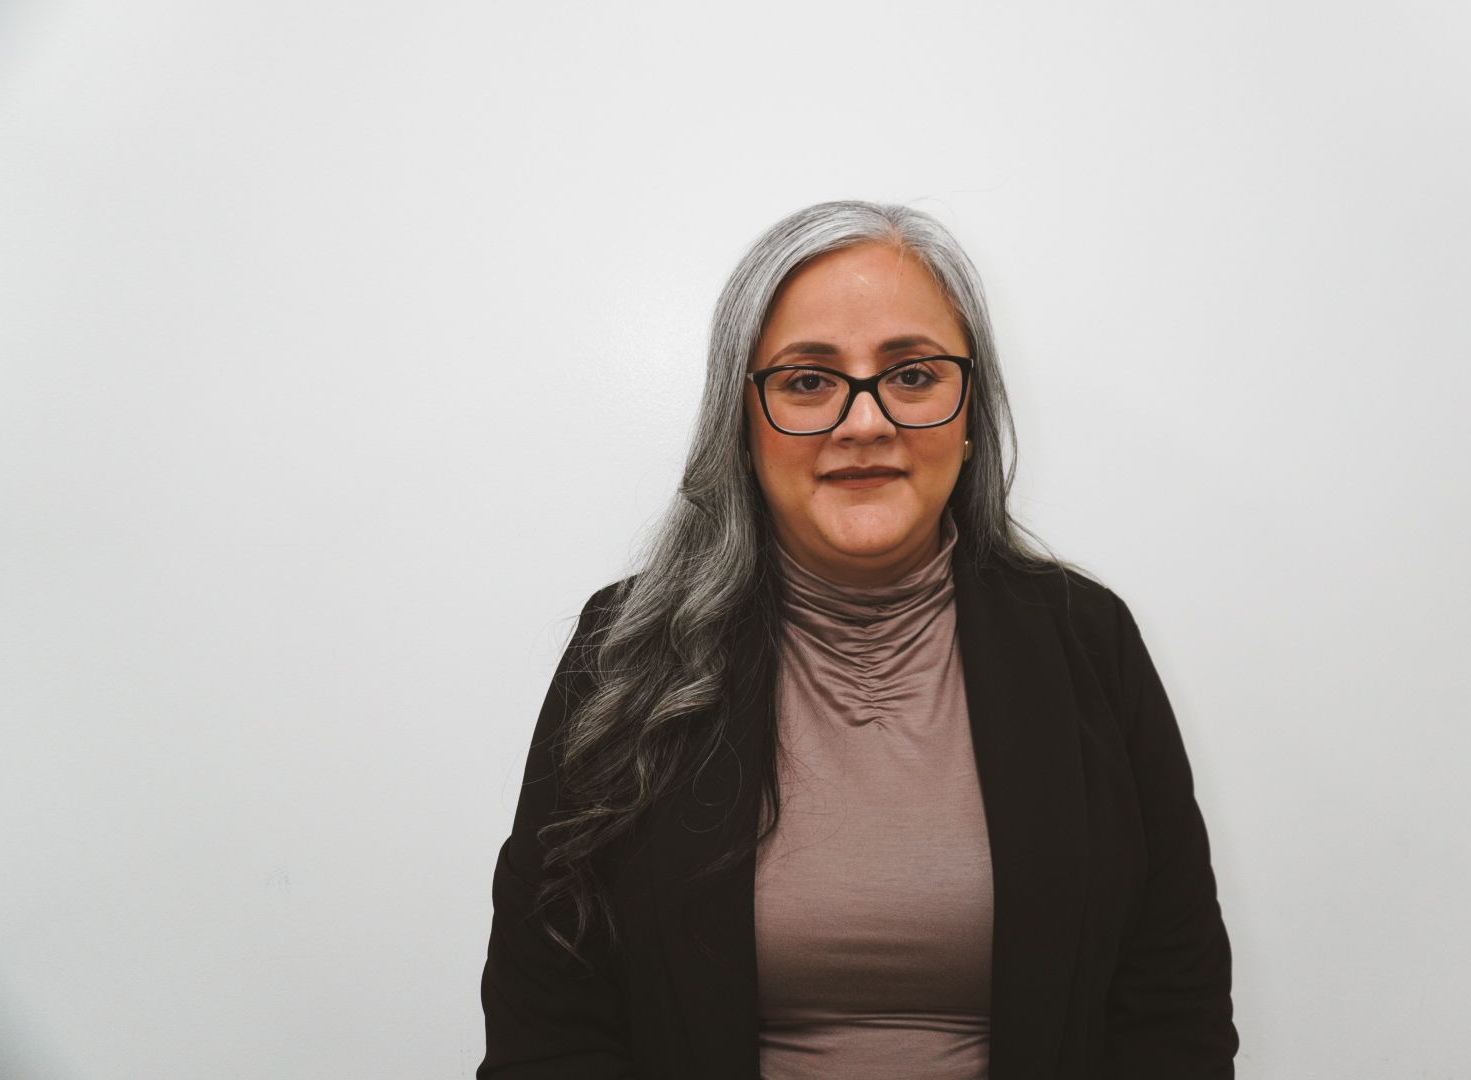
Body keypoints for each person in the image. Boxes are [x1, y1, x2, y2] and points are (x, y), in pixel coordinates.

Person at [477, 200, 1238, 1079]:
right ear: (742, 420)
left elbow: (1171, 1007)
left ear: (969, 413)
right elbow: (549, 1028)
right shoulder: (625, 652)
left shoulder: (1088, 643)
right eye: (807, 381)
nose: (864, 422)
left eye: (912, 375)